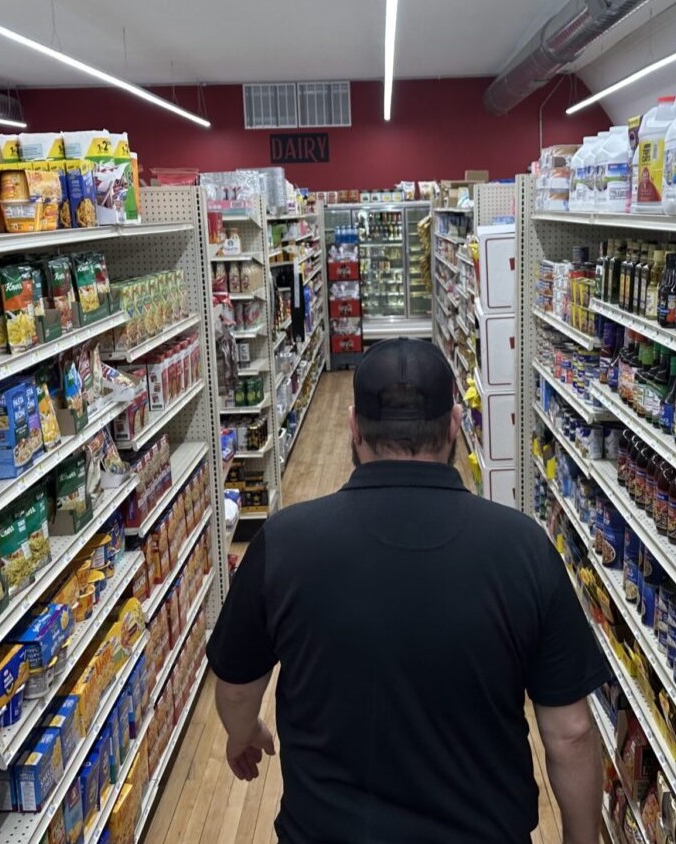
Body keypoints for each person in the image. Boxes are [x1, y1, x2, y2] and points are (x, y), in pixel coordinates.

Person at [207, 339, 611, 843]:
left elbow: (237, 688)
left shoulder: (284, 542)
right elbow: (571, 732)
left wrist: (244, 733)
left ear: (353, 427)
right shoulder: (523, 547)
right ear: (456, 425)